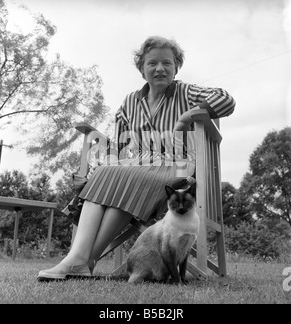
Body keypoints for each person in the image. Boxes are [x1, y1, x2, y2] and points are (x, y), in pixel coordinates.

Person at [38, 36, 235, 280]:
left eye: (167, 63)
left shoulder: (186, 91)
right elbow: (118, 146)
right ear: (142, 69)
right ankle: (79, 260)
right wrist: (94, 170)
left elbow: (226, 99)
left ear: (176, 67)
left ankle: (84, 259)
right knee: (106, 173)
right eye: (152, 63)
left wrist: (187, 117)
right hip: (138, 166)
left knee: (121, 175)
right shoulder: (130, 102)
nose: (160, 68)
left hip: (177, 169)